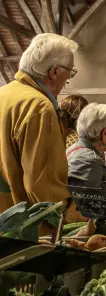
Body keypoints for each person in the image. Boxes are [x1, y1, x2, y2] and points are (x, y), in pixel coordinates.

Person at [0, 33, 79, 214]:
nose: (67, 81)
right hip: (23, 228)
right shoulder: (39, 107)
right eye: (70, 72)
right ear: (54, 72)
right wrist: (73, 217)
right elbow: (42, 184)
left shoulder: (4, 94)